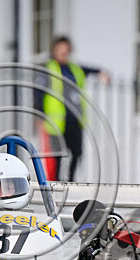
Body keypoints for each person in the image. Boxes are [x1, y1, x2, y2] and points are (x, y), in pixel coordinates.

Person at [35, 36, 109, 182]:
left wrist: (101, 73)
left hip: (74, 119)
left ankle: (70, 179)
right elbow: (38, 92)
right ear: (54, 50)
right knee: (56, 155)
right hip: (55, 122)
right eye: (60, 49)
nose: (64, 52)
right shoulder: (48, 68)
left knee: (76, 152)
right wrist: (39, 115)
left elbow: (89, 69)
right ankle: (55, 183)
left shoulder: (75, 69)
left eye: (66, 49)